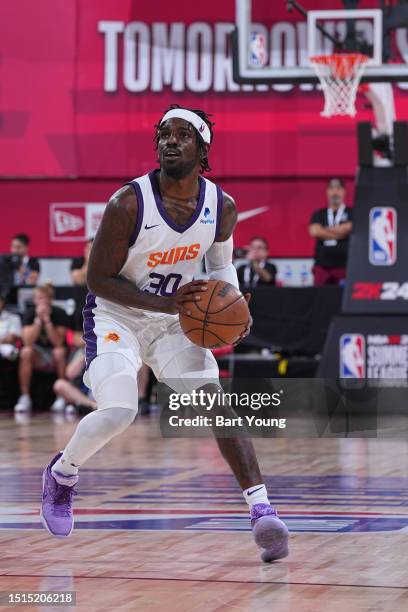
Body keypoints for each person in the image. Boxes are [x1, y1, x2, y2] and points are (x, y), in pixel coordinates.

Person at [40, 104, 289, 562]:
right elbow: (98, 279)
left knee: (216, 404)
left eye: (181, 135)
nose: (169, 141)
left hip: (175, 319)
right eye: (163, 135)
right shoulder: (128, 203)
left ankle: (262, 510)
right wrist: (166, 304)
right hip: (117, 316)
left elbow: (219, 266)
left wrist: (234, 303)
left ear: (203, 148)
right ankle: (64, 472)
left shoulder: (222, 207)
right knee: (119, 412)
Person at [14, 283, 68, 412]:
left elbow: (59, 342)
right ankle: (25, 397)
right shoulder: (29, 313)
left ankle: (62, 396)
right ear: (34, 300)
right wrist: (38, 320)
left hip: (54, 355)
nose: (42, 301)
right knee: (26, 352)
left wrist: (48, 321)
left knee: (59, 352)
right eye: (39, 298)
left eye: (45, 298)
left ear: (51, 299)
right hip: (38, 354)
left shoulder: (59, 313)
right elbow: (27, 341)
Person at [309, 178, 353, 286]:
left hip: (344, 265)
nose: (335, 192)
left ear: (344, 192)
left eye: (338, 188)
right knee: (320, 298)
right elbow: (315, 232)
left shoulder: (352, 212)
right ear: (327, 192)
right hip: (322, 266)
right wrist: (341, 232)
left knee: (343, 299)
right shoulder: (319, 214)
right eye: (331, 188)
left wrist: (325, 230)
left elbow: (351, 228)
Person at [0, 292, 21, 361]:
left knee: (12, 352)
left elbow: (11, 338)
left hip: (5, 348)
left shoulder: (13, 318)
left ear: (2, 302)